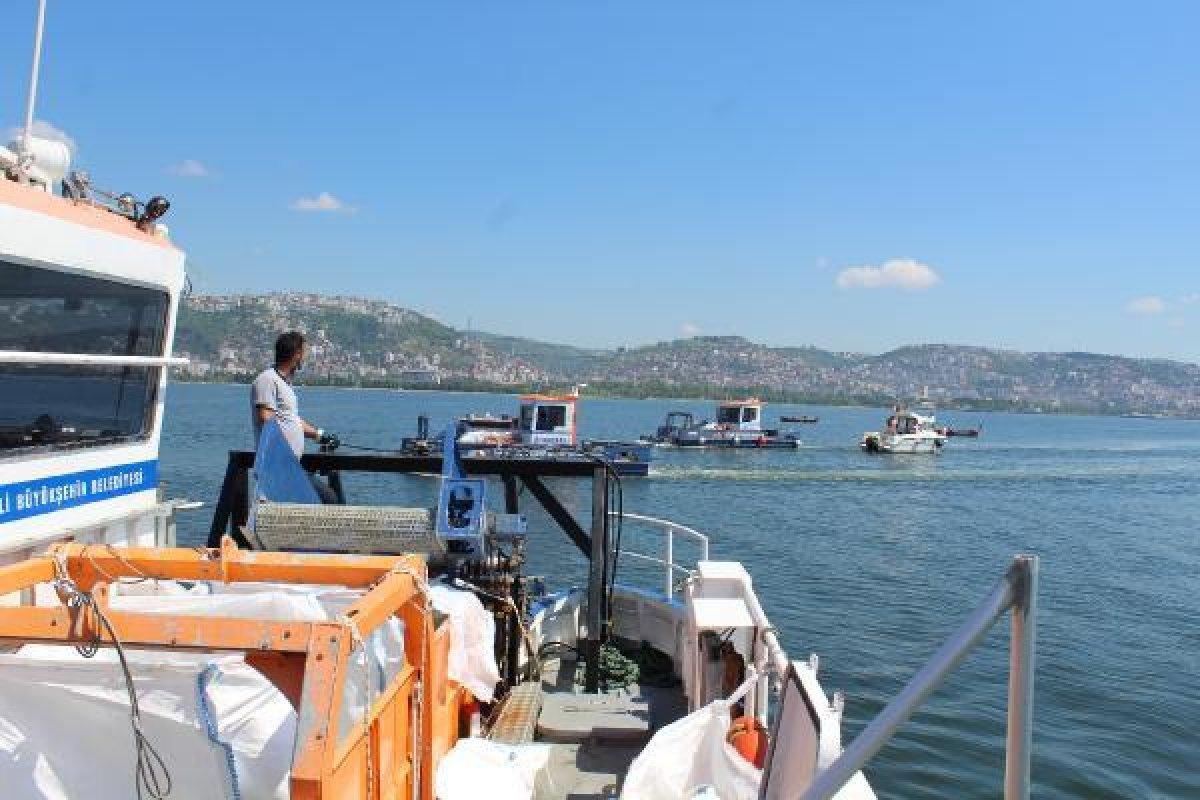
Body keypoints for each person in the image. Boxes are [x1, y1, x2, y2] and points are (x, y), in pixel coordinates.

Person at [251, 331, 340, 503]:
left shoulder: (285, 385)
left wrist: (319, 435)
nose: (304, 359)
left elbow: (292, 421)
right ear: (296, 354)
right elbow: (265, 417)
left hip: (290, 468)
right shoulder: (267, 380)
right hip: (276, 468)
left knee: (326, 499)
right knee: (327, 499)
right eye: (303, 353)